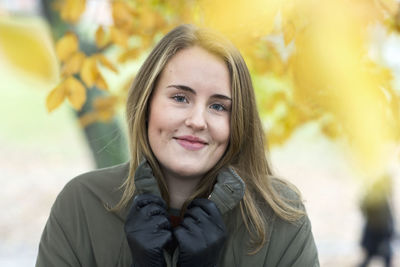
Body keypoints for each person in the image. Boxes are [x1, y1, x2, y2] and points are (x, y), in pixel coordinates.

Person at [36, 24, 319, 267]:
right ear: (146, 104)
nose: (197, 121)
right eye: (180, 98)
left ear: (239, 122)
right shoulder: (82, 204)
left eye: (219, 106)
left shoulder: (280, 218)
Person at [359, 175, 394, 267]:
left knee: (383, 258)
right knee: (384, 257)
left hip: (378, 235)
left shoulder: (380, 197)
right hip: (377, 236)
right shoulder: (376, 196)